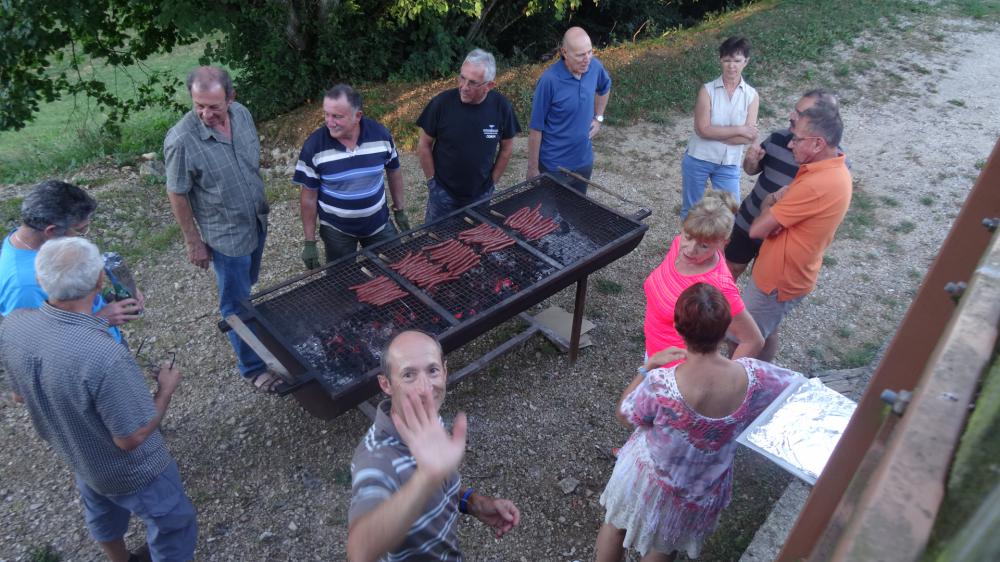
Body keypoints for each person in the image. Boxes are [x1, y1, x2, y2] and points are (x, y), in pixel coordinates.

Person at [0, 237, 197, 562]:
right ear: (100, 280)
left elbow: (19, 395)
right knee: (173, 522)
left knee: (102, 514)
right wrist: (165, 389)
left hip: (78, 455)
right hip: (132, 471)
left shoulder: (14, 326)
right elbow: (131, 437)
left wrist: (99, 319)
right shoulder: (104, 356)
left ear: (39, 278)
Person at [595, 283, 798, 562]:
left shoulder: (661, 384)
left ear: (679, 329)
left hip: (648, 479)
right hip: (698, 490)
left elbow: (624, 414)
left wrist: (648, 367)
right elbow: (796, 388)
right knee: (664, 546)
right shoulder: (756, 376)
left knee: (617, 525)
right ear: (726, 330)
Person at [346, 330, 520, 561]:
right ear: (386, 384)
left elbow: (442, 484)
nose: (425, 388)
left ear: (445, 372)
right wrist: (427, 477)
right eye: (408, 375)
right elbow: (359, 552)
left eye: (432, 370)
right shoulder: (376, 458)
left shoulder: (427, 421)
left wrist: (474, 503)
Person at [164, 66, 276, 391]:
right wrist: (193, 241)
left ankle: (246, 324)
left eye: (214, 106)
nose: (205, 114)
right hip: (225, 236)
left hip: (256, 220)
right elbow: (177, 192)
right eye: (198, 105)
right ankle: (253, 368)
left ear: (231, 98)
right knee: (235, 304)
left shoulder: (242, 115)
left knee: (245, 287)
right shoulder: (181, 140)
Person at [746, 101, 852, 361]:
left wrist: (770, 199)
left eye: (797, 139)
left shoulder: (816, 184)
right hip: (790, 273)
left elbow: (757, 230)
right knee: (767, 331)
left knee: (742, 339)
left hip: (776, 280)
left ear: (817, 144)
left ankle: (738, 384)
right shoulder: (833, 169)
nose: (790, 144)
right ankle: (762, 376)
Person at [0, 179, 141, 342]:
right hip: (87, 352)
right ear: (51, 231)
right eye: (80, 229)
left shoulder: (28, 237)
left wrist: (113, 294)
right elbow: (39, 344)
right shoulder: (24, 286)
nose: (83, 235)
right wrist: (100, 320)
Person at [726, 89, 845, 281]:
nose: (792, 116)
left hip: (778, 239)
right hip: (748, 221)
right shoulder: (778, 139)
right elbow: (751, 170)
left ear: (819, 120)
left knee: (760, 282)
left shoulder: (834, 165)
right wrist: (751, 161)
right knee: (729, 270)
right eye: (795, 110)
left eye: (800, 113)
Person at [643, 190, 763, 366]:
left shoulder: (718, 286)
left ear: (723, 243)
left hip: (677, 371)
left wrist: (728, 376)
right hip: (654, 354)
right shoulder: (679, 245)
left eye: (704, 246)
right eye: (688, 236)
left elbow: (752, 340)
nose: (690, 249)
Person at [295, 84, 410, 267]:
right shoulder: (314, 146)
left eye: (337, 116)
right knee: (342, 280)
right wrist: (309, 242)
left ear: (358, 116)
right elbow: (308, 197)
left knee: (396, 269)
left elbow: (394, 171)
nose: (329, 122)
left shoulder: (381, 136)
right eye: (326, 114)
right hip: (337, 231)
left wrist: (400, 209)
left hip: (379, 223)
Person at [417, 48, 521, 223]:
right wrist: (432, 183)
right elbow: (424, 144)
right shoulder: (441, 103)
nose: (463, 87)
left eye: (472, 83)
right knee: (434, 238)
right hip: (443, 193)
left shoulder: (502, 107)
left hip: (480, 194)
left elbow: (507, 148)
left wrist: (492, 183)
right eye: (462, 78)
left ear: (489, 86)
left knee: (475, 238)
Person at [680, 36, 759, 218]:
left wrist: (714, 132)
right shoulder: (707, 90)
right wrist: (739, 129)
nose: (732, 66)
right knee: (691, 210)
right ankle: (686, 238)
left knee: (731, 211)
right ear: (720, 60)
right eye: (727, 60)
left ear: (746, 62)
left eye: (737, 61)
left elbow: (749, 136)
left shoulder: (751, 95)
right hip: (699, 158)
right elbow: (702, 129)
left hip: (729, 163)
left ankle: (721, 239)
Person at [527, 26, 612, 194]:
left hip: (583, 162)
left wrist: (599, 118)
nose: (587, 59)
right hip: (554, 166)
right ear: (564, 52)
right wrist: (532, 168)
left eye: (589, 52)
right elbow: (536, 128)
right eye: (580, 55)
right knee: (550, 210)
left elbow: (605, 87)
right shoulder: (549, 81)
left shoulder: (594, 67)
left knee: (577, 207)